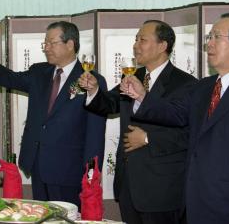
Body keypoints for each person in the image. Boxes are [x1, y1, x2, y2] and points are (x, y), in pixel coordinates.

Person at [124, 13, 229, 224]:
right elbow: (175, 114)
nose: (209, 44)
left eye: (216, 37)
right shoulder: (205, 86)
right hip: (192, 205)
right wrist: (142, 96)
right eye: (208, 37)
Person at [79, 20, 197, 224]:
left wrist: (148, 137)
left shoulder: (185, 84)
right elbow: (110, 104)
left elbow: (188, 134)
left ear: (163, 46)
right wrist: (93, 90)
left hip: (161, 188)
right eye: (135, 39)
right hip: (128, 184)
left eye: (142, 39)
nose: (135, 45)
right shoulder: (134, 75)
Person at [0, 21, 107, 208]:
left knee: (66, 218)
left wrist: (91, 172)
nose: (46, 48)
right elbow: (13, 79)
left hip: (69, 170)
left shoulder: (91, 81)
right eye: (44, 43)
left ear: (70, 44)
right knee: (41, 215)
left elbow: (95, 132)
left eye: (51, 43)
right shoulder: (39, 72)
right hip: (38, 163)